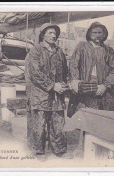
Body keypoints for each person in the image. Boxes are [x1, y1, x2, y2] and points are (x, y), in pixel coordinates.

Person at [25, 23, 70, 158]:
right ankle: (38, 150)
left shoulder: (59, 51)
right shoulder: (36, 51)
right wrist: (52, 85)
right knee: (39, 122)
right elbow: (35, 73)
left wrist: (65, 84)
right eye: (50, 32)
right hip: (40, 94)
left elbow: (65, 71)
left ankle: (58, 149)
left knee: (57, 122)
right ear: (43, 35)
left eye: (55, 33)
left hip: (57, 95)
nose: (53, 35)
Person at [68, 22, 114, 114]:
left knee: (102, 118)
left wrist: (105, 85)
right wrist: (74, 81)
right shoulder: (81, 47)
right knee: (83, 116)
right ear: (89, 34)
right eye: (94, 33)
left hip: (102, 90)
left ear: (104, 34)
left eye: (100, 33)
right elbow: (73, 64)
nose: (97, 35)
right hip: (85, 89)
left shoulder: (109, 51)